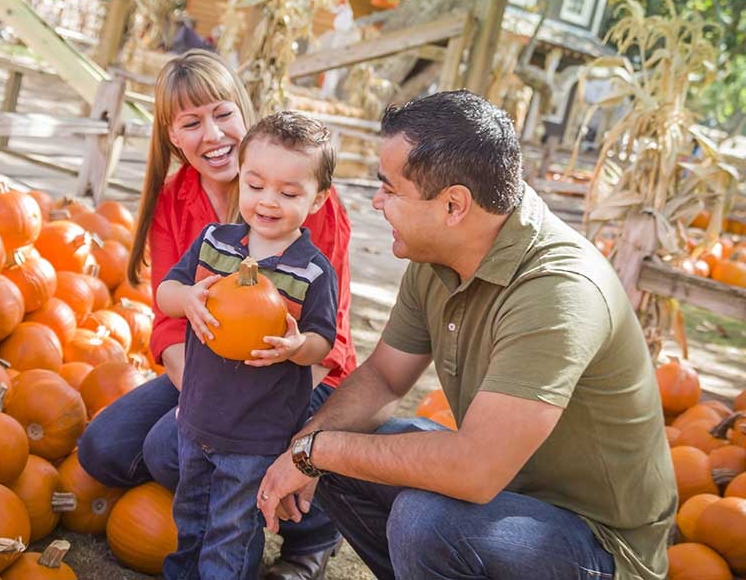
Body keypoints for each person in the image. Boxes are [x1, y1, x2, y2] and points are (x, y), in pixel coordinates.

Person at [257, 90, 678, 580]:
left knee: (422, 517)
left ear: (454, 204)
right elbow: (386, 379)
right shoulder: (437, 252)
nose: (376, 202)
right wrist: (306, 446)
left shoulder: (559, 292)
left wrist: (317, 454)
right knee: (325, 424)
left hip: (599, 546)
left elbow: (474, 471)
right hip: (504, 496)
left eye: (390, 189)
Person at [77, 49, 356, 579]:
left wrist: (278, 429)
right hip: (206, 366)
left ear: (243, 113)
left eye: (222, 113)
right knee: (107, 447)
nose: (212, 134)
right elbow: (168, 314)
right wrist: (199, 402)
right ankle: (210, 494)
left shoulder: (304, 198)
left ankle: (310, 530)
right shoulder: (177, 202)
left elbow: (329, 341)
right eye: (191, 122)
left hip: (295, 373)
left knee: (168, 448)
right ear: (172, 137)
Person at [158, 111, 339, 579]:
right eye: (256, 185)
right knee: (190, 522)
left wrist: (297, 345)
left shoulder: (312, 271)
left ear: (318, 199)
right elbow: (165, 292)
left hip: (256, 435)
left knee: (231, 534)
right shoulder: (214, 243)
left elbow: (324, 341)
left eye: (289, 192)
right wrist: (188, 297)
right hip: (196, 417)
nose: (267, 202)